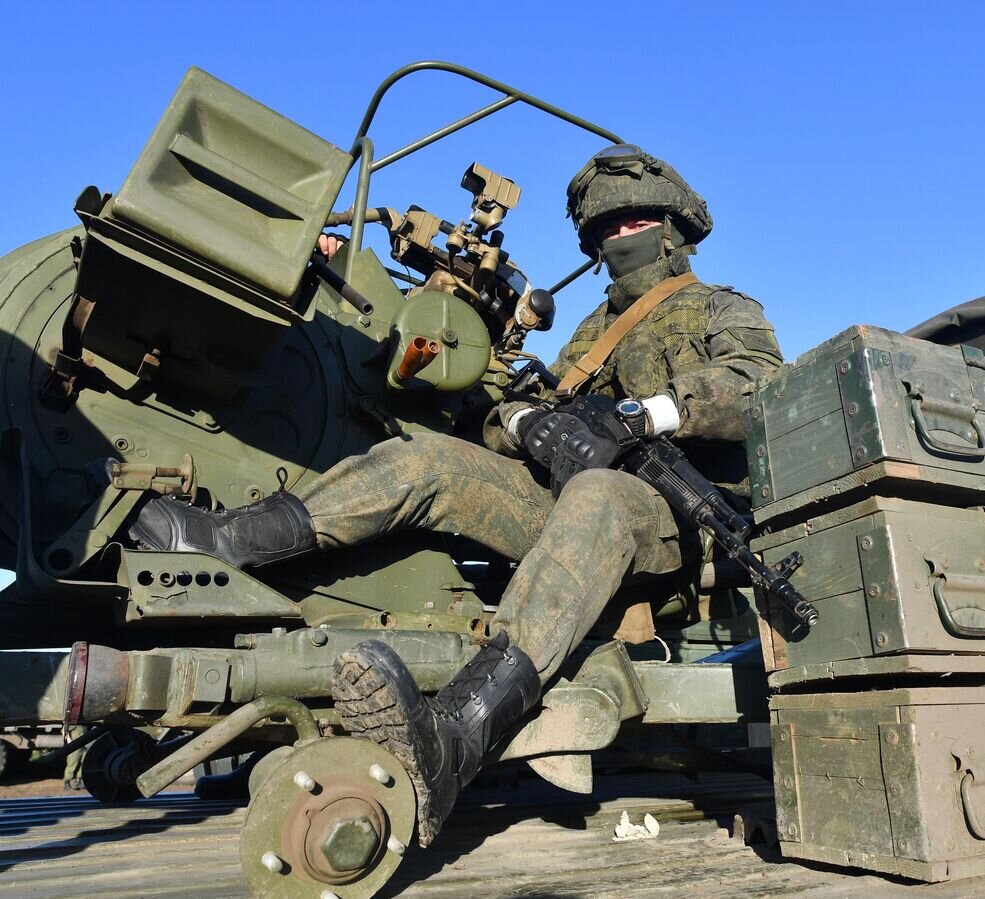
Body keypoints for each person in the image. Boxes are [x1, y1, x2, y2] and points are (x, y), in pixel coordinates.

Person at [128, 145, 784, 846]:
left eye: (637, 222)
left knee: (600, 494)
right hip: (573, 505)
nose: (622, 236)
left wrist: (644, 415)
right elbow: (516, 412)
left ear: (674, 230)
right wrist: (528, 423)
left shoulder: (720, 307)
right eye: (607, 229)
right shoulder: (592, 334)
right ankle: (224, 543)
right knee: (434, 460)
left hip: (675, 520)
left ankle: (456, 739)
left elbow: (759, 384)